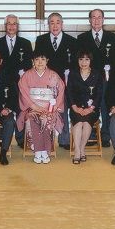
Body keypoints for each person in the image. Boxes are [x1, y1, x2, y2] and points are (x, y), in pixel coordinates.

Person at [75, 8, 115, 147]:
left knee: (105, 106)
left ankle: (105, 136)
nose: (97, 20)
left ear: (103, 20)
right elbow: (80, 60)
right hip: (89, 79)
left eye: (99, 17)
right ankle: (91, 135)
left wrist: (112, 79)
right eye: (93, 17)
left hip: (106, 78)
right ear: (89, 20)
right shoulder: (82, 38)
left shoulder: (112, 37)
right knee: (90, 105)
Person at [33, 12, 75, 148]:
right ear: (48, 25)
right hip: (46, 83)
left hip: (65, 82)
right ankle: (45, 139)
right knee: (45, 110)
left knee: (63, 109)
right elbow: (38, 62)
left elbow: (75, 64)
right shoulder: (41, 40)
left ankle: (64, 139)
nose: (55, 26)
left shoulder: (72, 41)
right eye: (52, 22)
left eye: (58, 22)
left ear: (62, 24)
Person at [18, 49, 65, 164]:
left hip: (49, 108)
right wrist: (35, 107)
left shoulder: (53, 75)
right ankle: (37, 151)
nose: (40, 62)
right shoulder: (27, 75)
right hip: (32, 107)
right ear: (33, 61)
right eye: (37, 59)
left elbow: (61, 91)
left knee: (47, 118)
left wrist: (53, 107)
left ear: (47, 61)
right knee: (31, 118)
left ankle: (45, 151)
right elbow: (23, 93)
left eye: (43, 59)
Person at [66, 49, 105, 164]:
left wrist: (90, 108)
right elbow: (69, 92)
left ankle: (82, 148)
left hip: (91, 109)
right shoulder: (73, 74)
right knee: (78, 123)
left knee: (87, 123)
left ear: (90, 60)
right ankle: (77, 151)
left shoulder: (97, 75)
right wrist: (75, 107)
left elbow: (99, 94)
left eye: (86, 59)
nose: (83, 62)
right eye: (81, 59)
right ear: (77, 61)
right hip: (76, 108)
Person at [0, 14, 34, 79]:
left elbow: (29, 64)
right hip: (1, 79)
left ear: (18, 26)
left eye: (14, 24)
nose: (12, 26)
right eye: (9, 24)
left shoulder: (26, 43)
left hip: (20, 80)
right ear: (5, 25)